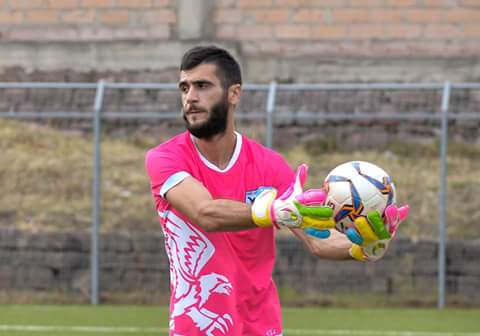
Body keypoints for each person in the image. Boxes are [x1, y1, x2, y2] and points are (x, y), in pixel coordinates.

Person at [145, 45, 408, 336]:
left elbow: (318, 240)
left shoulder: (269, 166)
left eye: (202, 86)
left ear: (234, 93)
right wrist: (270, 211)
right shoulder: (165, 158)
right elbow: (205, 212)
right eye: (184, 87)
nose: (190, 97)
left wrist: (361, 248)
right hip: (197, 325)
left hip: (262, 327)